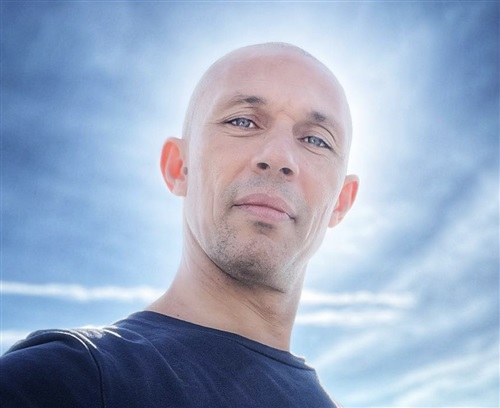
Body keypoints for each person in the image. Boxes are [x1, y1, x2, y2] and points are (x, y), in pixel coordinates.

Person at [1, 42, 359, 407]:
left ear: (341, 202)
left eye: (315, 140)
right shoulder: (66, 379)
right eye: (242, 121)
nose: (279, 156)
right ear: (178, 167)